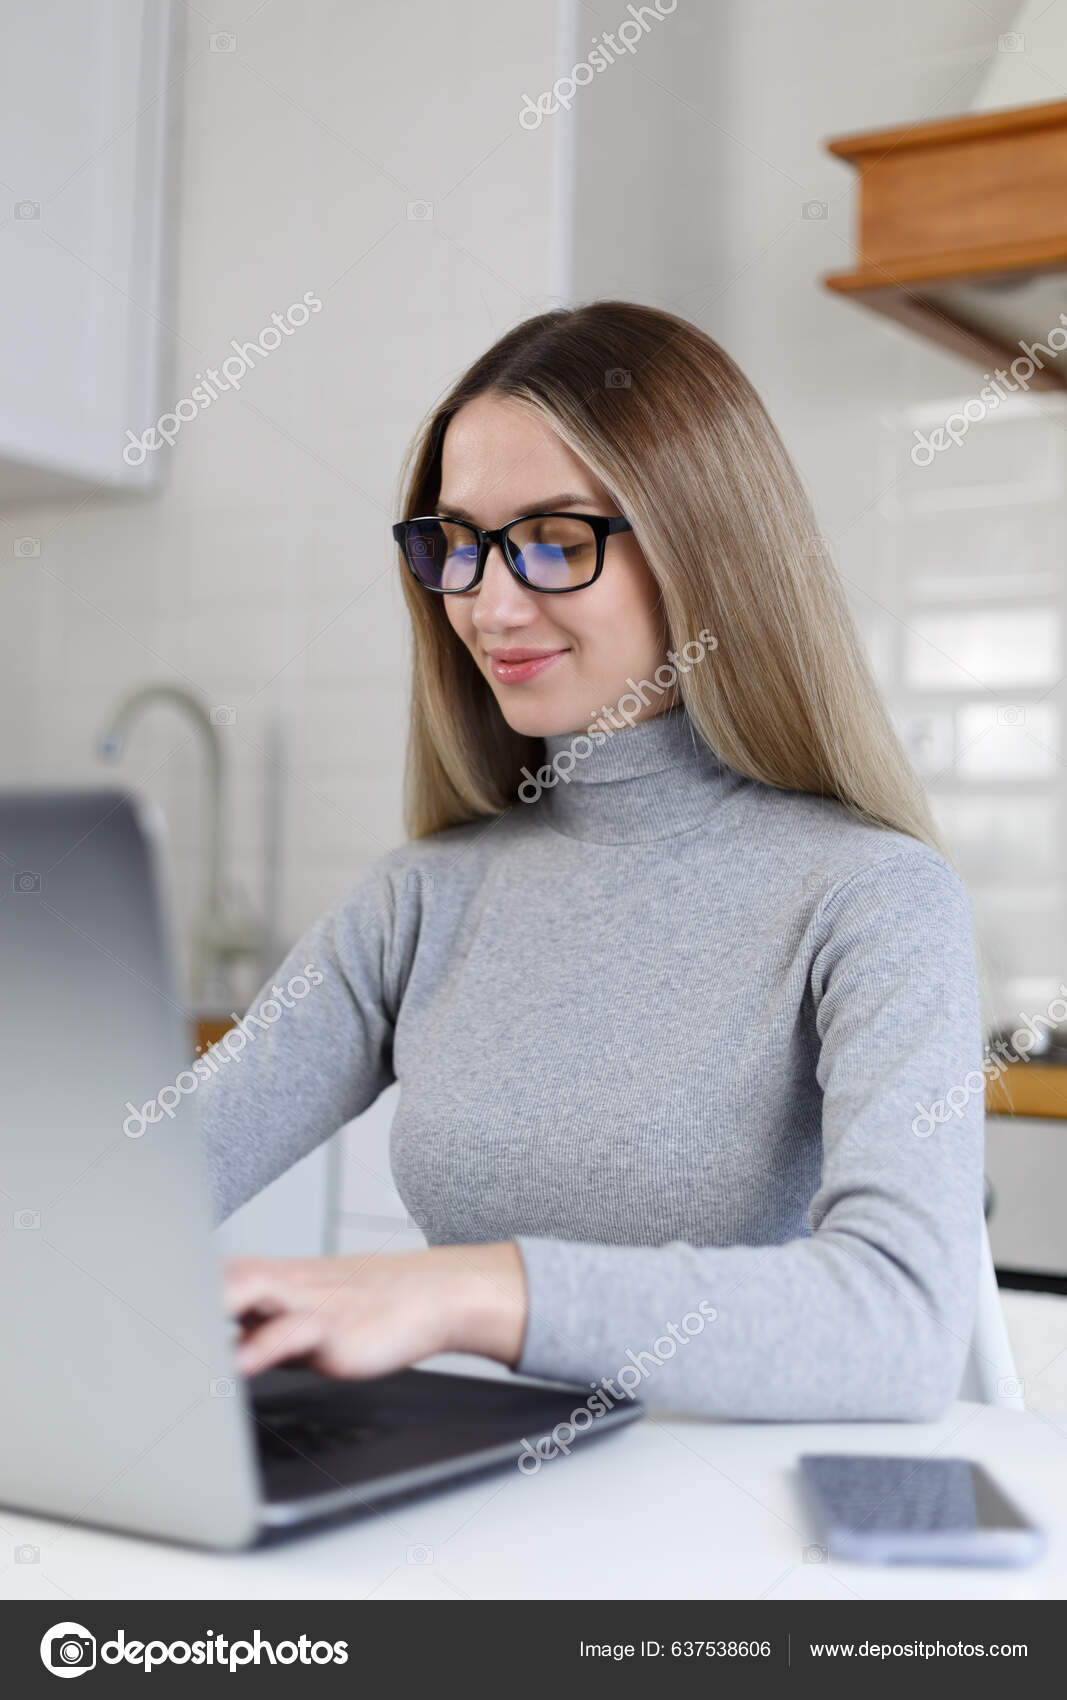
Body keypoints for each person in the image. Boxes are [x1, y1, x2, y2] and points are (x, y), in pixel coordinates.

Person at [205, 300, 983, 1421]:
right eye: (457, 543)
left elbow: (900, 1326)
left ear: (703, 550)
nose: (488, 601)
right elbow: (142, 1182)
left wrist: (469, 1288)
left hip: (723, 1538)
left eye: (557, 541)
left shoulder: (870, 897)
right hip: (470, 1507)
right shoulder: (422, 899)